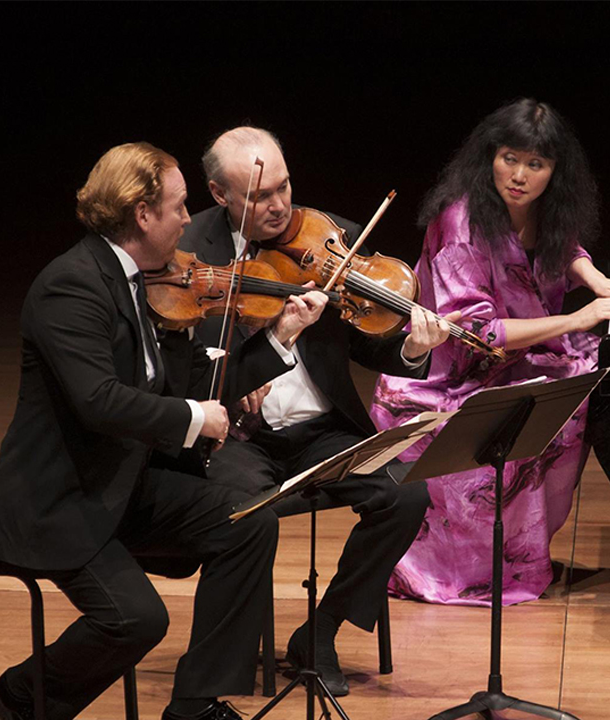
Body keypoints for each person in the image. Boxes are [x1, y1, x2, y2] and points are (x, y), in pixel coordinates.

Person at [0, 142, 329, 720]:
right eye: (179, 206)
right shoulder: (71, 286)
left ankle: (194, 707)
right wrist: (195, 419)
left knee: (249, 525)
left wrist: (280, 337)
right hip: (58, 500)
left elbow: (202, 380)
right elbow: (98, 401)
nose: (189, 220)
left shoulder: (147, 280)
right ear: (142, 214)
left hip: (121, 484)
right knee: (139, 619)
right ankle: (23, 694)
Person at [370, 99, 610, 606]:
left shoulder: (542, 208)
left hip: (527, 358)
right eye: (509, 158)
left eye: (535, 164)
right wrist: (579, 318)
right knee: (604, 385)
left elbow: (566, 248)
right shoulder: (460, 224)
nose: (518, 175)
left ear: (554, 171)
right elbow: (478, 333)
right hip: (463, 381)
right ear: (489, 156)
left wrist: (596, 278)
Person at [178, 126, 452, 697]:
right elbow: (171, 358)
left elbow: (371, 343)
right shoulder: (187, 253)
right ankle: (216, 676)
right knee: (243, 515)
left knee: (405, 494)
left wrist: (411, 346)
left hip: (318, 432)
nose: (279, 205)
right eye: (259, 195)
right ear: (219, 193)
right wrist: (233, 366)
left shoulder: (330, 239)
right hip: (234, 440)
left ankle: (320, 632)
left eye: (284, 186)